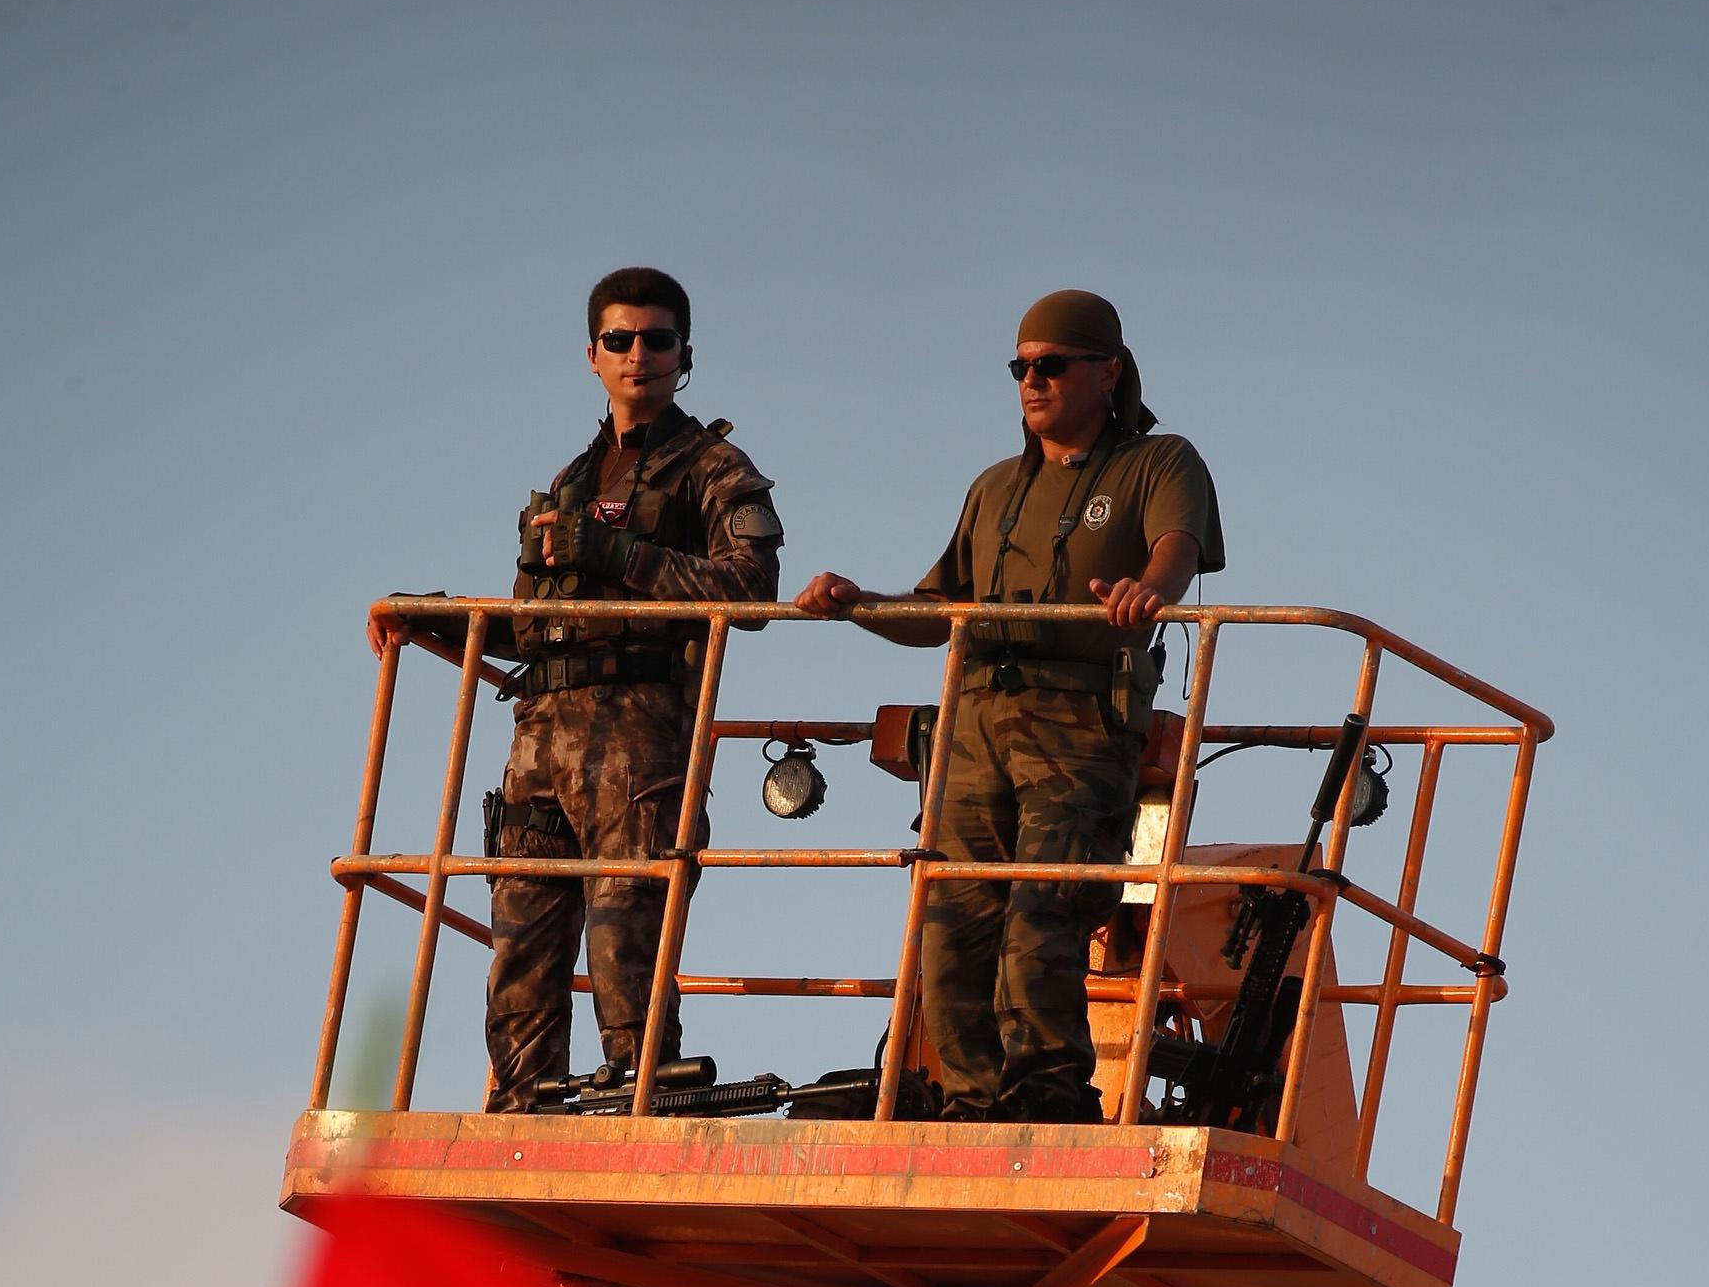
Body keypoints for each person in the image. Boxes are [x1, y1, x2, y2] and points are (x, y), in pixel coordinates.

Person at [796, 291, 1222, 1122]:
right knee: (950, 928)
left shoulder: (1159, 463)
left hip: (1077, 727)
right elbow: (937, 611)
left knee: (1042, 917)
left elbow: (1179, 545)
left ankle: (1047, 1099)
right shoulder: (994, 488)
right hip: (975, 725)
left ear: (1108, 372)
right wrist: (857, 602)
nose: (1032, 381)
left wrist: (1150, 591)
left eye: (1051, 365)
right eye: (1020, 367)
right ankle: (970, 1105)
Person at [437, 268, 782, 1108]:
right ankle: (523, 1103)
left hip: (639, 733)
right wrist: (434, 623)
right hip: (540, 735)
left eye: (658, 340)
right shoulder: (567, 483)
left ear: (684, 354)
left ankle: (639, 1099)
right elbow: (531, 621)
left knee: (627, 936)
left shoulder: (712, 466)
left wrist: (618, 557)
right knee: (520, 940)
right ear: (592, 356)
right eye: (621, 341)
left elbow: (751, 589)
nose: (640, 357)